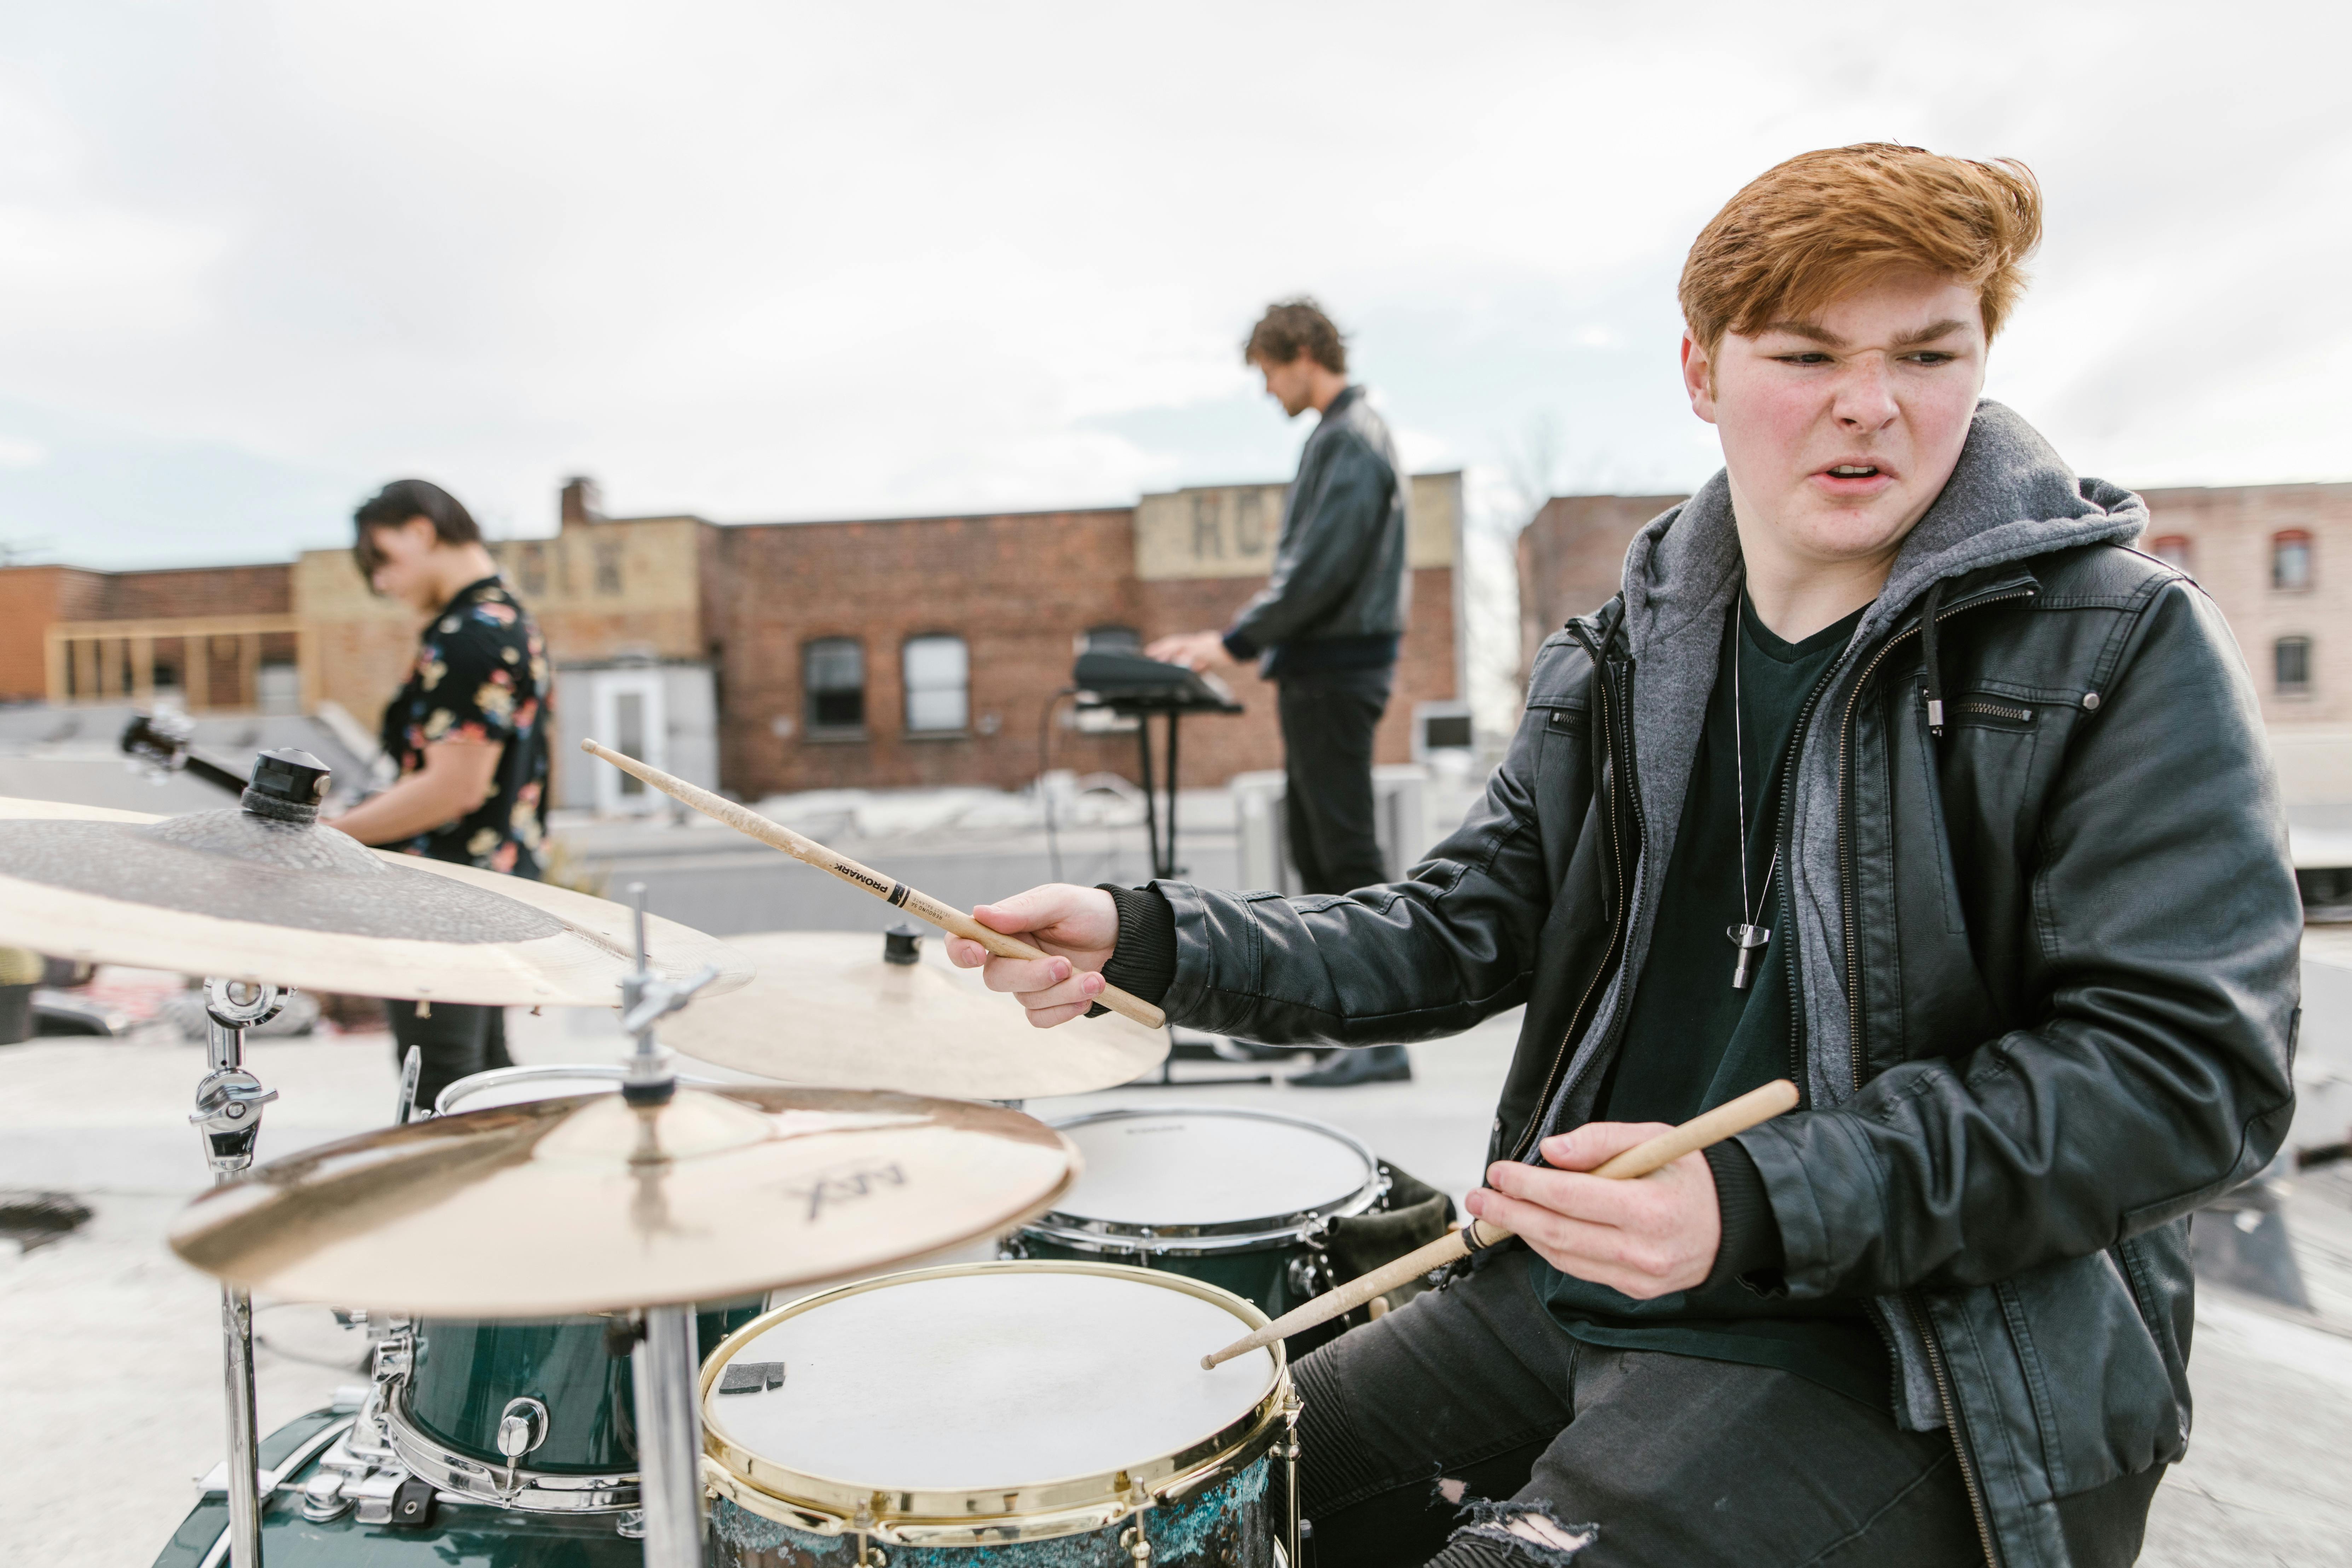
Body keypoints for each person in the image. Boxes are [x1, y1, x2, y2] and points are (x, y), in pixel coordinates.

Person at [951, 145, 2300, 1568]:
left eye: (1927, 351)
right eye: (1805, 352)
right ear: (1700, 372)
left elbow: (2188, 1075)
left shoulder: (2120, 644)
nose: (1870, 403)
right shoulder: (1630, 652)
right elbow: (1455, 927)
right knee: (1169, 1512)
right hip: (1580, 1286)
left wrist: (1761, 1196)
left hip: (1913, 1355)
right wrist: (1147, 938)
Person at [1149, 297, 1414, 1087]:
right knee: (1315, 846)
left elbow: (1316, 573)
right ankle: (1340, 1025)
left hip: (1335, 671)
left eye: (1268, 371)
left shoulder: (1348, 441)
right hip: (1324, 670)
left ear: (1301, 353)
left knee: (1343, 851)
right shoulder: (1343, 439)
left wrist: (1229, 643)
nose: (1267, 391)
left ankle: (1379, 1036)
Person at [326, 479, 552, 1113]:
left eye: (383, 561)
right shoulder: (505, 620)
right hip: (489, 891)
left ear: (420, 531)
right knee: (481, 1080)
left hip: (447, 900)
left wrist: (330, 835)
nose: (381, 585)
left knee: (438, 1091)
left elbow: (454, 787)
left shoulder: (469, 635)